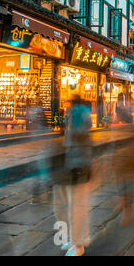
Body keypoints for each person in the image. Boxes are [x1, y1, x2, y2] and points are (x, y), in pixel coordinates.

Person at [52, 95, 93, 256]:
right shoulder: (76, 119)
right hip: (75, 165)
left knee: (76, 206)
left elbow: (79, 139)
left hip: (78, 166)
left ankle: (78, 244)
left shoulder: (77, 119)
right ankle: (82, 238)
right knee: (75, 204)